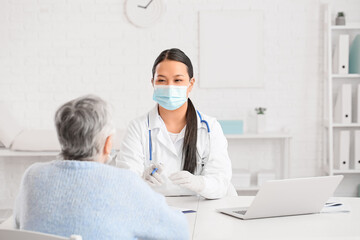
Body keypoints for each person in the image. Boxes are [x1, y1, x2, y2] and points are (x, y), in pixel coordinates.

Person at [13, 95, 189, 240]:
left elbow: (20, 224)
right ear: (107, 144)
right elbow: (179, 232)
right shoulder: (125, 183)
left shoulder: (32, 176)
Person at [117, 48, 236, 199]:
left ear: (190, 84)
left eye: (178, 80)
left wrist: (199, 183)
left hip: (200, 209)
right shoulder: (138, 127)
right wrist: (141, 181)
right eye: (161, 80)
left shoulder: (210, 128)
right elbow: (125, 183)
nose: (169, 87)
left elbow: (220, 183)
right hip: (153, 207)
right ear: (153, 83)